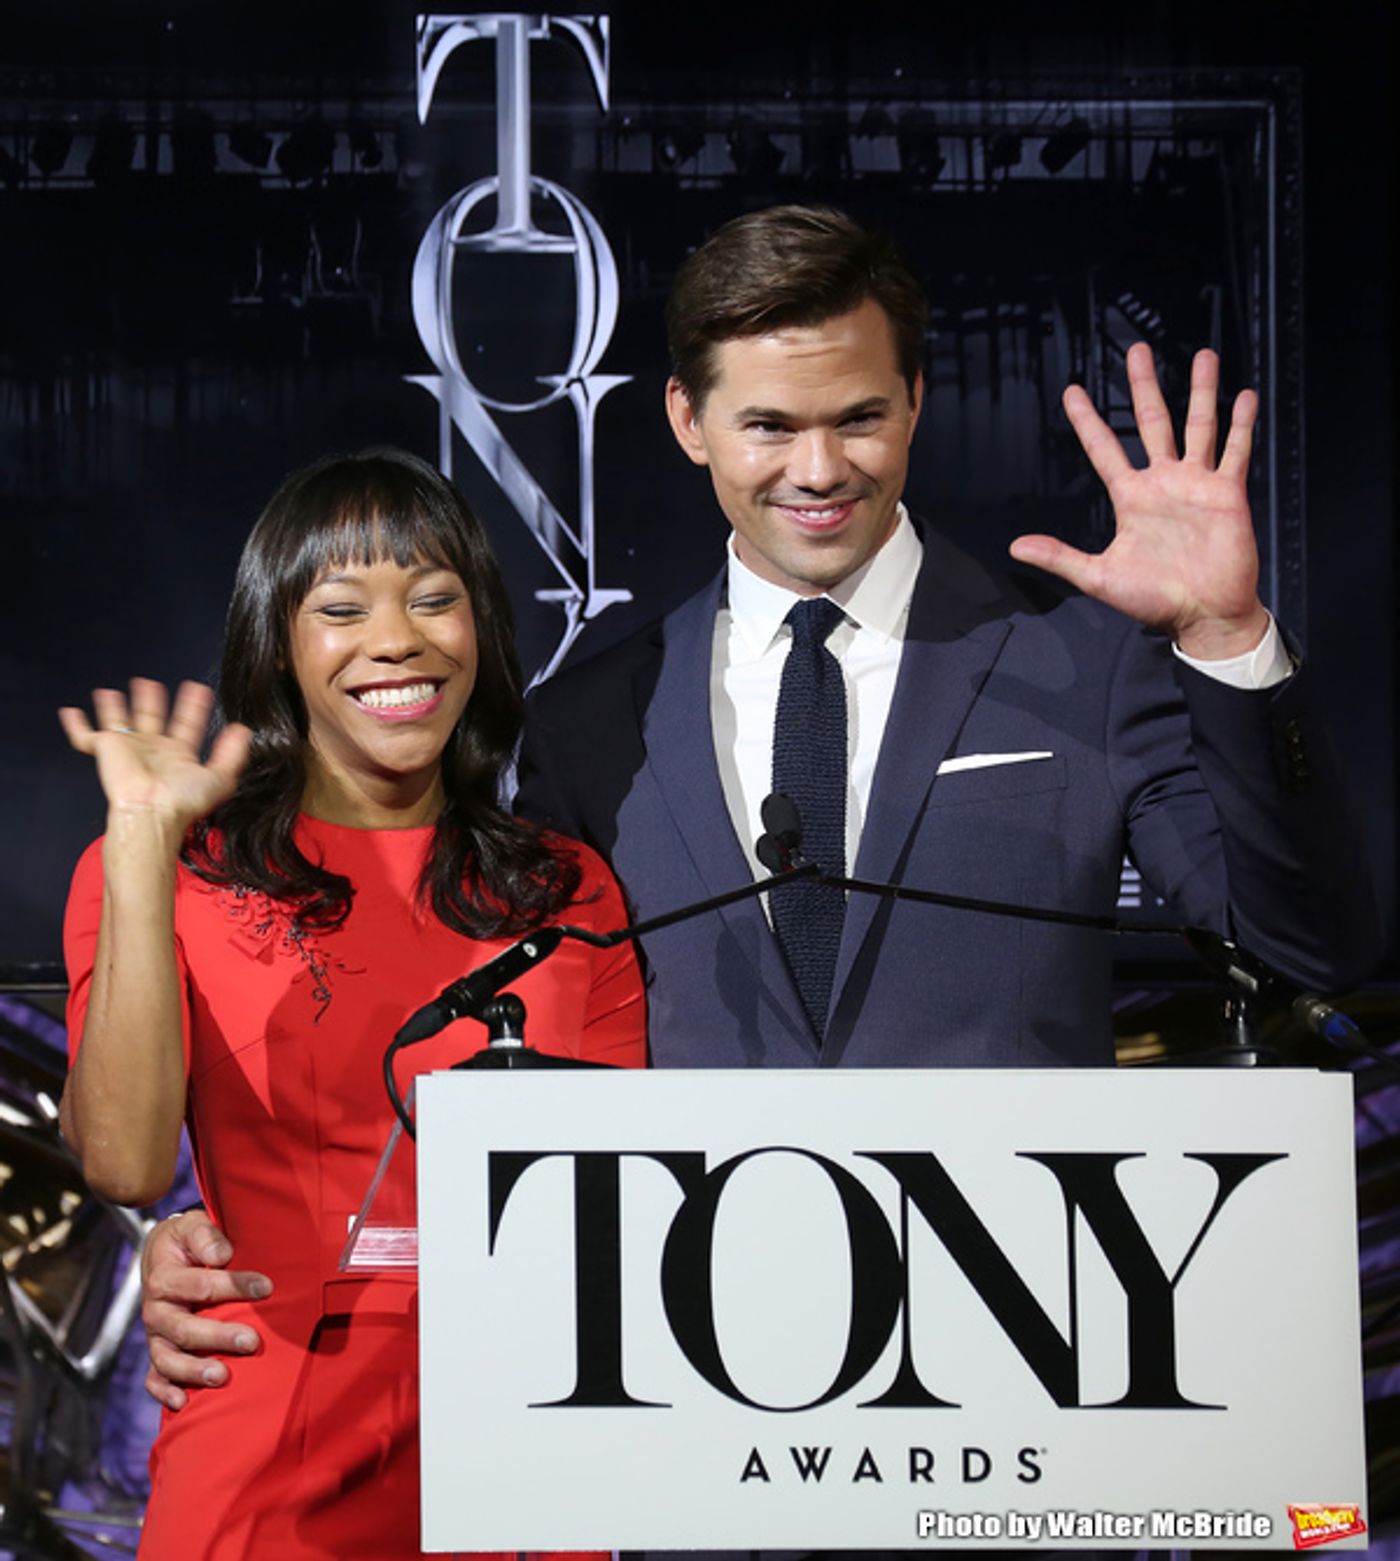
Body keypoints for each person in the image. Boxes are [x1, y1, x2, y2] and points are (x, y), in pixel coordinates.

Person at [135, 207, 1382, 1397]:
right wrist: (221, 1224)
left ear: (915, 407)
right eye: (768, 425)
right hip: (706, 1409)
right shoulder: (590, 722)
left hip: (1025, 1384)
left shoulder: (1078, 664)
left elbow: (1306, 942)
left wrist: (1227, 640)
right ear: (687, 419)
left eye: (859, 418)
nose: (818, 468)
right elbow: (487, 1036)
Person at [59, 448, 645, 1558]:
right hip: (265, 1456)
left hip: (527, 1460)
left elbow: (619, 1200)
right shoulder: (171, 867)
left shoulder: (565, 888)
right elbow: (125, 1164)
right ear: (277, 643)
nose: (397, 640)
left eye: (435, 599)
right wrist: (141, 836)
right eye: (341, 608)